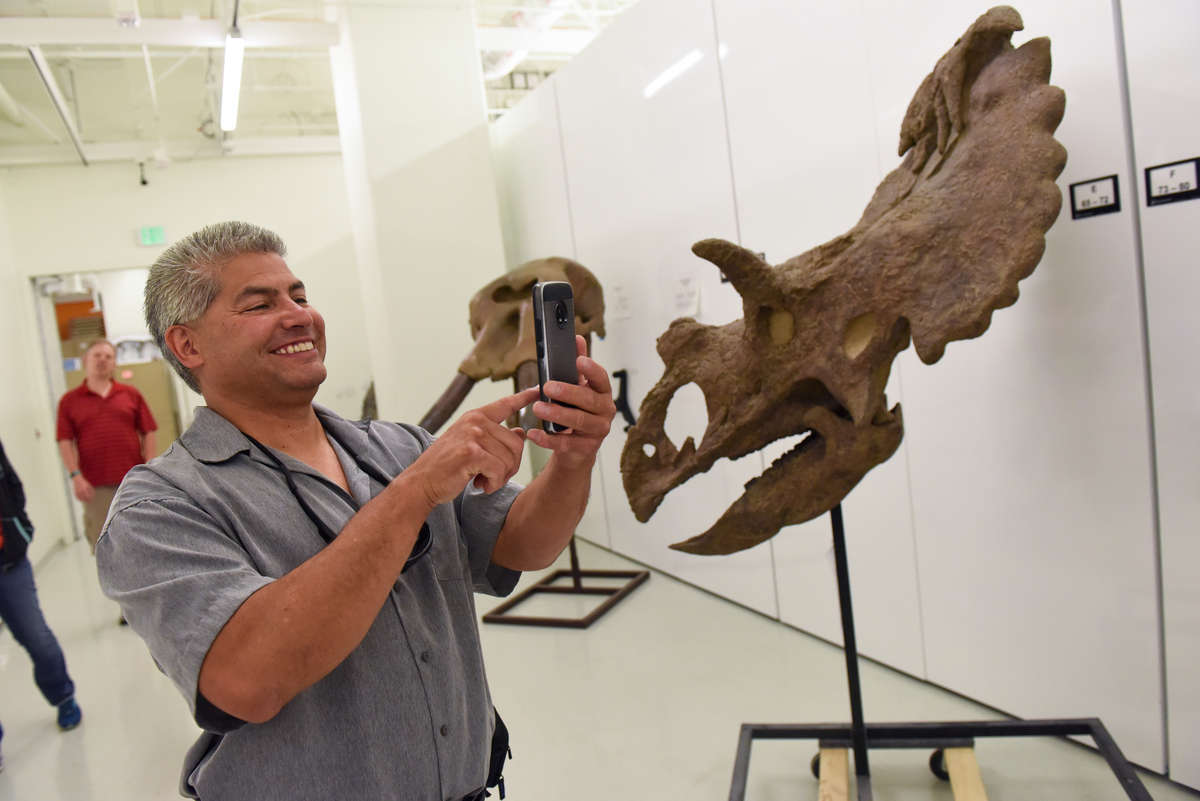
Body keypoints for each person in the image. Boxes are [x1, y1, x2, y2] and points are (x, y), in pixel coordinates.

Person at [97, 221, 616, 801]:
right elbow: (245, 682)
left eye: (300, 295)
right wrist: (413, 495)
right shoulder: (159, 507)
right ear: (188, 345)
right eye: (259, 303)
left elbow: (525, 544)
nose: (299, 315)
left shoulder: (400, 447)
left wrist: (574, 458)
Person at [0, 437, 84, 772]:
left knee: (37, 638)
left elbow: (12, 483)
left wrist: (19, 525)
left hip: (9, 563)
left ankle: (63, 697)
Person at [56, 339, 158, 553]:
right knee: (105, 546)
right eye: (97, 355)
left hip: (133, 482)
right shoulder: (69, 401)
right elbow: (65, 441)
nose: (102, 360)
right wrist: (76, 476)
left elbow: (148, 431)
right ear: (85, 361)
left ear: (114, 364)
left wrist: (149, 467)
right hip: (95, 488)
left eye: (108, 357)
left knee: (141, 539)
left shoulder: (131, 395)